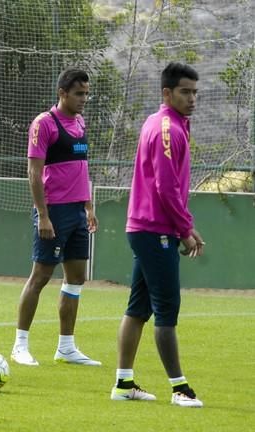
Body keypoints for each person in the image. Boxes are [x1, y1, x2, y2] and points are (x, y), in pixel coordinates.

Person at [110, 62, 204, 407]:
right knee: (167, 311)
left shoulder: (167, 123)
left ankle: (123, 384)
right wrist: (185, 230)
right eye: (185, 92)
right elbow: (166, 187)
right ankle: (180, 389)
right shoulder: (168, 128)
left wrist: (184, 226)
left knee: (138, 309)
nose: (192, 98)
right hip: (155, 229)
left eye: (195, 92)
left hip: (147, 228)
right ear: (167, 93)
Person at [10, 68, 100, 367]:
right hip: (54, 211)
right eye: (78, 93)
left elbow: (81, 166)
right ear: (62, 93)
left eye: (86, 93)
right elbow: (34, 172)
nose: (83, 99)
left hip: (77, 211)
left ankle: (66, 347)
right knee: (41, 276)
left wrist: (88, 205)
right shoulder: (43, 124)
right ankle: (20, 345)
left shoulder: (81, 122)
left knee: (76, 278)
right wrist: (43, 215)